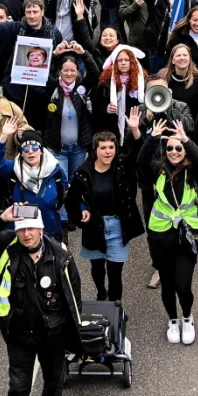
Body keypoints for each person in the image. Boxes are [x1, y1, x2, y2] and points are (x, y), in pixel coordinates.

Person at [0, 207, 85, 396]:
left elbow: (74, 297)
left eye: (31, 229)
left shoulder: (61, 255)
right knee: (18, 390)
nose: (26, 235)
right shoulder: (5, 248)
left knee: (54, 385)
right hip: (19, 335)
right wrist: (1, 217)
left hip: (53, 336)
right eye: (21, 229)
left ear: (41, 229)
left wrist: (73, 335)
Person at [140, 116, 198, 345]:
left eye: (178, 148)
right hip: (161, 234)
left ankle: (187, 317)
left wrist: (186, 140)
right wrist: (152, 139)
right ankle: (172, 320)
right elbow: (140, 164)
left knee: (183, 283)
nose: (174, 152)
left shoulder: (193, 171)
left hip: (187, 234)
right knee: (168, 284)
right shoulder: (157, 170)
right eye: (170, 148)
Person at [65, 118, 145, 303]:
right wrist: (80, 216)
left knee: (115, 272)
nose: (108, 151)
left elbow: (139, 153)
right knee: (97, 268)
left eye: (111, 147)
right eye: (103, 148)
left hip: (118, 225)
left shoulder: (122, 166)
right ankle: (101, 292)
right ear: (95, 150)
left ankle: (115, 306)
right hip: (95, 226)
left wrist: (135, 130)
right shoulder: (83, 173)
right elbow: (71, 200)